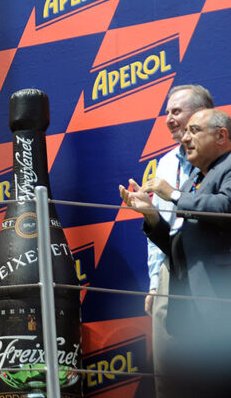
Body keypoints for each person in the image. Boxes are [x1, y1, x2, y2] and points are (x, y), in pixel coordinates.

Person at [120, 108, 231, 397]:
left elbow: (225, 208)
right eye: (186, 132)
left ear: (221, 136)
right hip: (192, 314)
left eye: (195, 131)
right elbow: (178, 247)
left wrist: (174, 195)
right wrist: (151, 214)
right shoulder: (194, 180)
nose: (185, 138)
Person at [141, 84, 211, 396]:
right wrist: (155, 283)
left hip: (211, 266)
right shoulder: (166, 162)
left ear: (201, 114)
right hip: (171, 269)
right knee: (169, 371)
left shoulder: (223, 160)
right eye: (167, 112)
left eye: (176, 111)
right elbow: (161, 227)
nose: (168, 119)